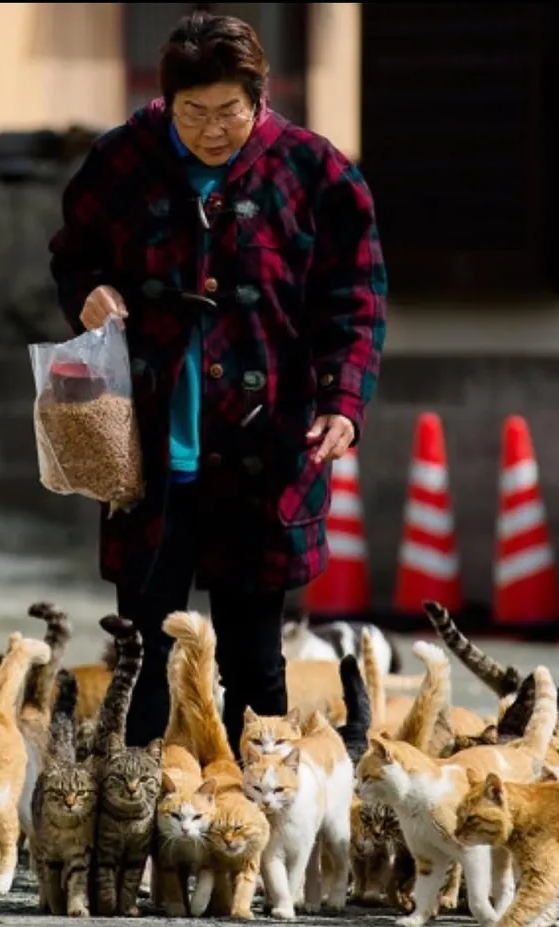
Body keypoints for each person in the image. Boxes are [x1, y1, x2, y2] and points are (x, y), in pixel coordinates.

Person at [48, 11, 387, 757]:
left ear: (259, 97)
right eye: (192, 112)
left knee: (256, 664)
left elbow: (355, 303)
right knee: (140, 658)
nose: (210, 130)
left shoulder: (316, 172)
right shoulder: (121, 162)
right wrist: (89, 293)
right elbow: (73, 255)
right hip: (148, 453)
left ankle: (255, 840)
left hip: (265, 448)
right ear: (166, 102)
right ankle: (138, 832)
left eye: (228, 111)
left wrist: (343, 406)